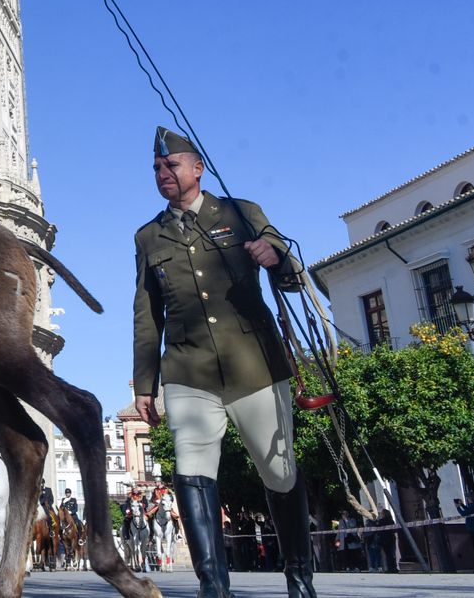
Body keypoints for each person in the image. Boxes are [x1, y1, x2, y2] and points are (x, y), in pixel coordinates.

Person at [133, 127, 315, 598]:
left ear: (197, 168)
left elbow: (293, 277)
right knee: (191, 470)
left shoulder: (240, 212)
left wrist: (273, 256)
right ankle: (213, 587)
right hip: (188, 369)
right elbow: (148, 312)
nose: (162, 173)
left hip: (253, 361)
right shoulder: (149, 236)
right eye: (156, 168)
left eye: (171, 165)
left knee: (279, 471)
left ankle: (300, 578)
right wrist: (144, 383)